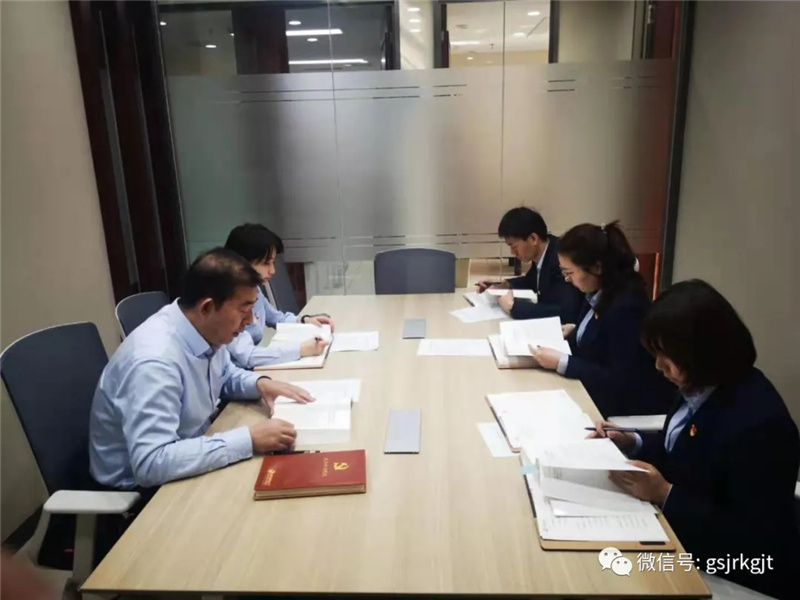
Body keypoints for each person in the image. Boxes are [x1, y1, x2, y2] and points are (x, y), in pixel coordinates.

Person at [592, 279, 799, 600]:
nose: (658, 366)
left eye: (667, 356)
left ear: (703, 352)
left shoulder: (760, 425)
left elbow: (754, 540)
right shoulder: (700, 387)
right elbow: (683, 452)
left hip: (733, 570)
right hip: (678, 533)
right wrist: (633, 442)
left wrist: (665, 494)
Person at [90, 247, 314, 491]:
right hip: (144, 492)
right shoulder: (155, 362)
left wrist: (261, 384)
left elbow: (224, 376)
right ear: (206, 307)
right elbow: (151, 463)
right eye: (244, 310)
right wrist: (248, 440)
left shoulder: (204, 329)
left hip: (194, 445)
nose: (251, 321)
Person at [530, 221, 672, 416]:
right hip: (587, 391)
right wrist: (576, 330)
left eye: (569, 272)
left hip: (614, 409)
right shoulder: (596, 291)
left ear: (597, 268)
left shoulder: (627, 307)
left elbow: (619, 380)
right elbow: (599, 338)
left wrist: (562, 362)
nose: (566, 279)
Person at [224, 223, 334, 369]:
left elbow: (277, 318)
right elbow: (248, 356)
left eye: (273, 262)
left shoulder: (254, 290)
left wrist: (304, 320)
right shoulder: (225, 302)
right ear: (241, 263)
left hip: (250, 373)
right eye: (266, 263)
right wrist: (301, 350)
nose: (273, 271)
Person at [476, 207, 583, 323]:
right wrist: (504, 284)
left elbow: (566, 312)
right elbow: (531, 281)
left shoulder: (561, 260)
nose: (512, 252)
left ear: (533, 239)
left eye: (514, 246)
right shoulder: (545, 251)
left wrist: (513, 307)